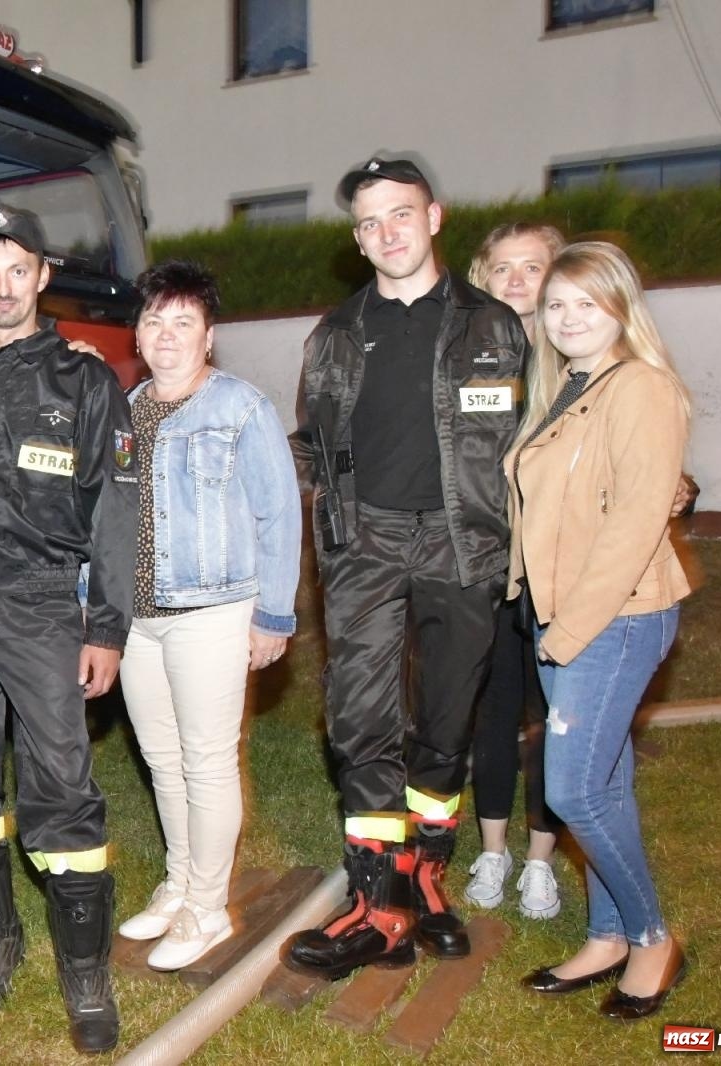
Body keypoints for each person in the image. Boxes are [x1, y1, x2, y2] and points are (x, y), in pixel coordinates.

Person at [284, 158, 529, 980]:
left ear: (434, 217)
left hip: (465, 543)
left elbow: (549, 431)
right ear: (357, 238)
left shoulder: (495, 328)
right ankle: (376, 902)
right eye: (368, 222)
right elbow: (313, 443)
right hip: (366, 546)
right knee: (359, 720)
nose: (385, 232)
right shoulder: (335, 335)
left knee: (448, 717)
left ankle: (427, 875)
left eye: (400, 213)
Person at [0, 205, 137, 1054]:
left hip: (44, 603)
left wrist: (106, 627)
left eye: (20, 269)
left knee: (61, 785)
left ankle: (84, 970)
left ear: (43, 276)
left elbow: (116, 512)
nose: (4, 287)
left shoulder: (87, 382)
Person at [507, 241, 692, 1020]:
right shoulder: (566, 387)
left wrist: (566, 631)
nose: (569, 318)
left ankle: (652, 936)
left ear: (620, 307)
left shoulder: (641, 389)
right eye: (556, 305)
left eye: (587, 303)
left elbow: (634, 527)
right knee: (605, 782)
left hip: (612, 618)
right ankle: (608, 935)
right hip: (559, 614)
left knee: (572, 789)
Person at [112, 260, 301, 970]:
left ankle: (208, 909)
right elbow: (107, 514)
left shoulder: (241, 407)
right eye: (154, 319)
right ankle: (181, 883)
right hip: (137, 617)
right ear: (138, 331)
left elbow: (279, 514)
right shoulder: (126, 410)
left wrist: (273, 617)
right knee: (162, 761)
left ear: (208, 336)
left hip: (213, 610)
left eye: (182, 321)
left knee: (208, 761)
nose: (166, 334)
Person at [462, 224, 568, 919]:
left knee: (558, 719)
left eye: (535, 266)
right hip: (488, 568)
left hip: (561, 572)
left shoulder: (586, 361)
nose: (519, 280)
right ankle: (493, 851)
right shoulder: (468, 363)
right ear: (483, 277)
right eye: (505, 268)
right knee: (494, 714)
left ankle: (540, 862)